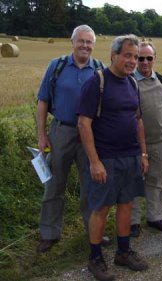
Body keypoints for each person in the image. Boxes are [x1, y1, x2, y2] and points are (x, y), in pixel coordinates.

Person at [77, 34, 149, 281]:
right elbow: (84, 124)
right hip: (106, 158)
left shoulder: (133, 83)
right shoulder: (96, 82)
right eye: (128, 55)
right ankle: (95, 258)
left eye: (136, 57)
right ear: (114, 55)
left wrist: (143, 152)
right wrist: (95, 161)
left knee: (127, 204)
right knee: (101, 208)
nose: (132, 61)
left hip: (130, 156)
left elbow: (138, 120)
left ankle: (123, 251)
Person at [36, 24, 108, 253]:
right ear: (72, 42)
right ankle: (49, 233)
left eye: (89, 42)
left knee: (91, 184)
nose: (85, 45)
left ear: (93, 45)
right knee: (54, 184)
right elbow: (43, 101)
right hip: (62, 131)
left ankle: (93, 231)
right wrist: (42, 135)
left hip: (90, 134)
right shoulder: (56, 66)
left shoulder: (99, 69)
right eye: (81, 41)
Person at [130, 42, 162, 236]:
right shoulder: (128, 81)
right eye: (140, 58)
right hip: (132, 145)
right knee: (133, 184)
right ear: (135, 59)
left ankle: (155, 217)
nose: (145, 62)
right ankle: (133, 222)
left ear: (155, 59)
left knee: (157, 182)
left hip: (159, 143)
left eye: (149, 58)